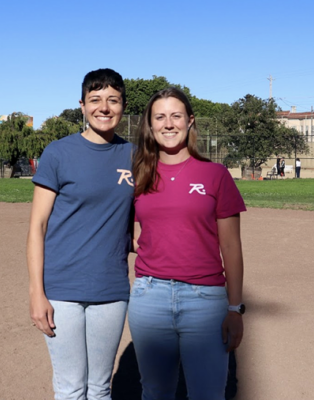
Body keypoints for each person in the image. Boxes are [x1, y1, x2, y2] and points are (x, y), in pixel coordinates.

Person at [130, 87, 247, 399]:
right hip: (149, 297)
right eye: (160, 117)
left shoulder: (215, 174)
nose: (168, 124)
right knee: (155, 392)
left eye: (176, 116)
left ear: (190, 121)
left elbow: (232, 247)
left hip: (204, 301)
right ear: (150, 125)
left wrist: (235, 308)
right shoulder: (137, 175)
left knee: (208, 393)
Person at [27, 68, 134, 400]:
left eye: (112, 100)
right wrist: (36, 293)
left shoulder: (135, 155)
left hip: (111, 288)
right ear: (83, 106)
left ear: (122, 106)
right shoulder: (59, 153)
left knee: (100, 388)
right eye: (95, 100)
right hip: (62, 289)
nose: (104, 107)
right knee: (71, 387)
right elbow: (37, 227)